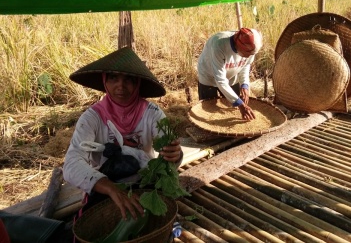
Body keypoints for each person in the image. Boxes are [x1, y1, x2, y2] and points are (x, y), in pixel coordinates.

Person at [63, 47, 183, 221]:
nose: (120, 86)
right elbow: (71, 164)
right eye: (113, 78)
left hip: (145, 183)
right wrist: (112, 188)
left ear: (137, 84)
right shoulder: (92, 118)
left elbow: (169, 152)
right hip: (104, 186)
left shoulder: (152, 113)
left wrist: (175, 154)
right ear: (105, 81)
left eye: (129, 80)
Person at [197, 27, 263, 121]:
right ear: (239, 45)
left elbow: (245, 65)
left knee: (232, 108)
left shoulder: (251, 47)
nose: (249, 56)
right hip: (208, 75)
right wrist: (240, 104)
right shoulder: (219, 44)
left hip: (231, 76)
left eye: (252, 54)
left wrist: (244, 85)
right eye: (248, 53)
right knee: (208, 111)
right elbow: (220, 79)